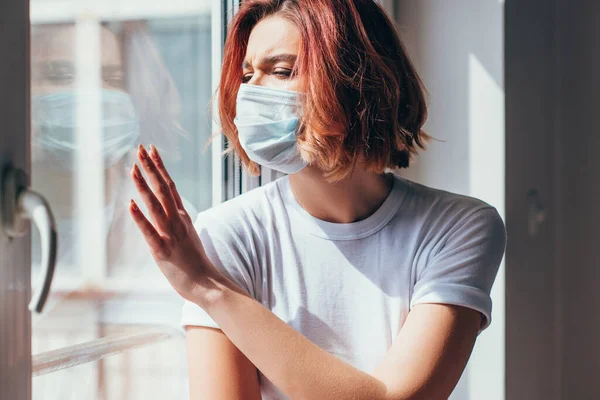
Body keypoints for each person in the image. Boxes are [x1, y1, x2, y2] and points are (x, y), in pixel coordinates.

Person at [129, 0, 507, 399]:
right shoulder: (226, 232)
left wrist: (210, 288)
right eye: (245, 75)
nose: (250, 93)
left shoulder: (459, 227)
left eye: (280, 71)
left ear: (355, 80)